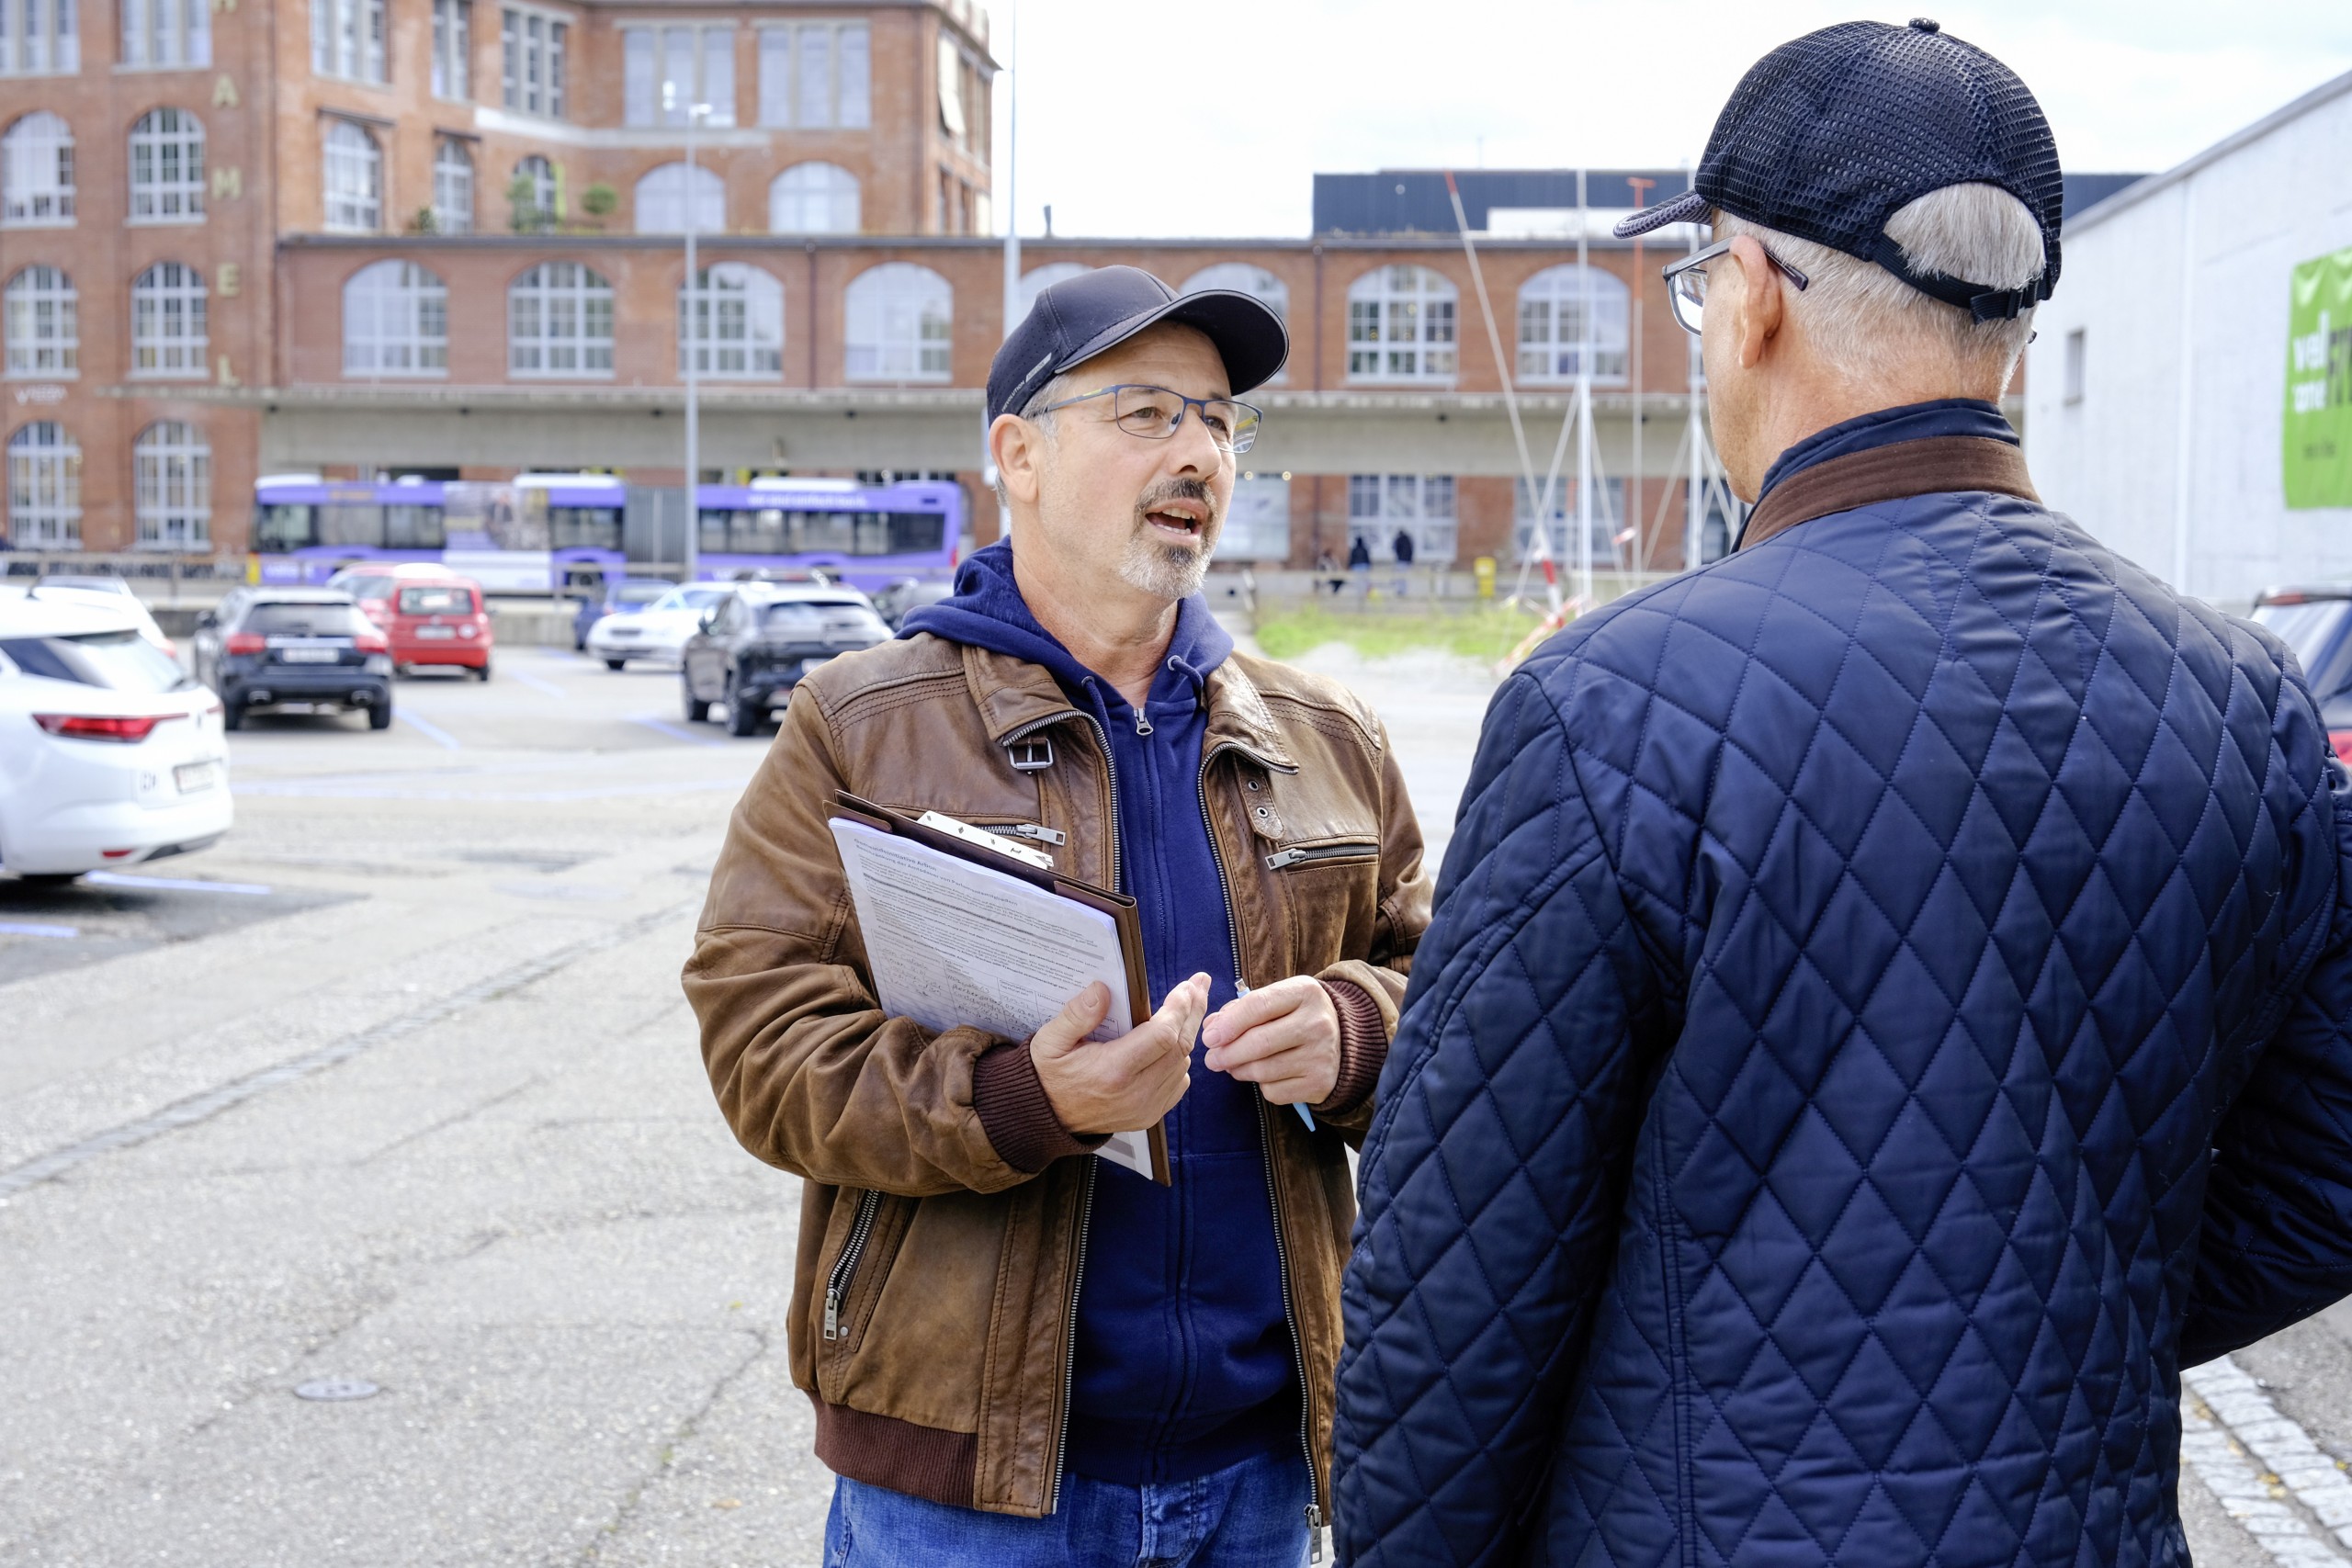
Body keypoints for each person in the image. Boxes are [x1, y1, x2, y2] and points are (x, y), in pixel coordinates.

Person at [1333, 20, 2352, 1567]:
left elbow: (1458, 1284)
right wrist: (2058, 1310)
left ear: (1748, 299)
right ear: (2006, 334)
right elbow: (2332, 1154)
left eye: (1696, 287)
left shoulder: (1615, 702)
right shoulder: (2245, 700)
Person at [685, 265, 1430, 1566]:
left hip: (1259, 1472)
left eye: (1217, 420)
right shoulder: (862, 727)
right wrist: (1025, 1101)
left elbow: (1463, 998)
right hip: (966, 1495)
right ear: (1018, 455)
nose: (1197, 450)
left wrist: (1359, 1032)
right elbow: (764, 1043)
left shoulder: (1328, 739)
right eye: (1146, 413)